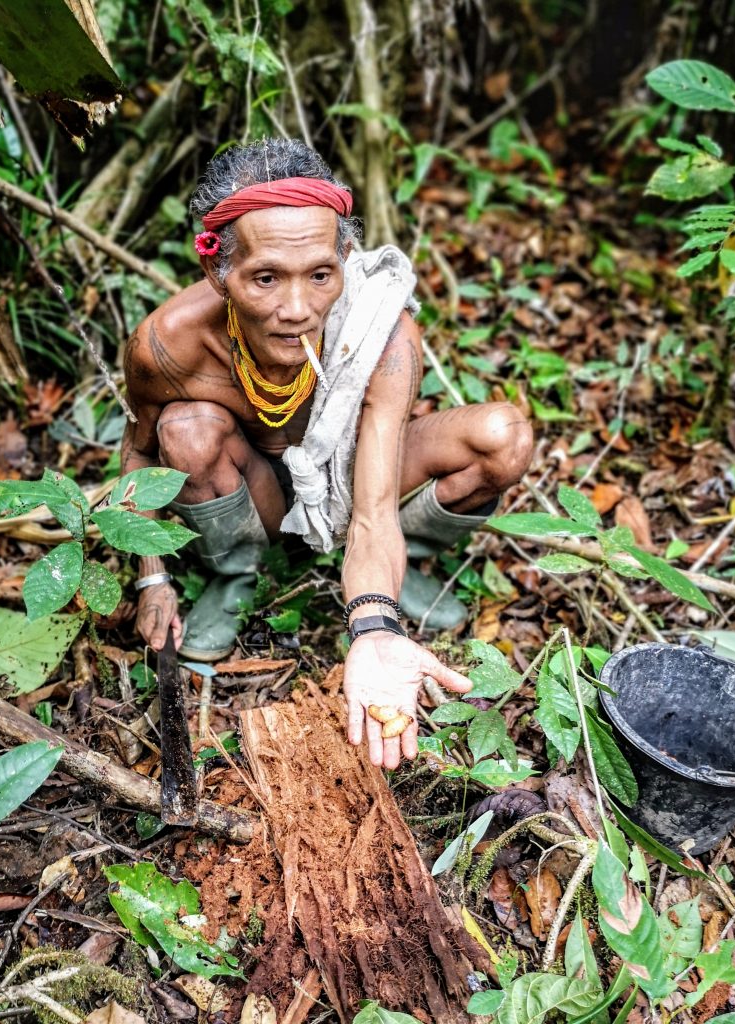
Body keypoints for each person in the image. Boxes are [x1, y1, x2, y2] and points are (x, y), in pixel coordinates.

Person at [121, 139, 533, 768]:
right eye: (264, 278)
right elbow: (138, 454)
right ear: (217, 273)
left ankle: (398, 567)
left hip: (354, 477)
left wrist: (374, 627)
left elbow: (370, 510)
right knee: (186, 431)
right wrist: (152, 578)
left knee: (502, 438)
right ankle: (235, 575)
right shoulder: (167, 346)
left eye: (320, 274)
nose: (297, 310)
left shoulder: (380, 331)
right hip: (250, 483)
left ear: (346, 259)